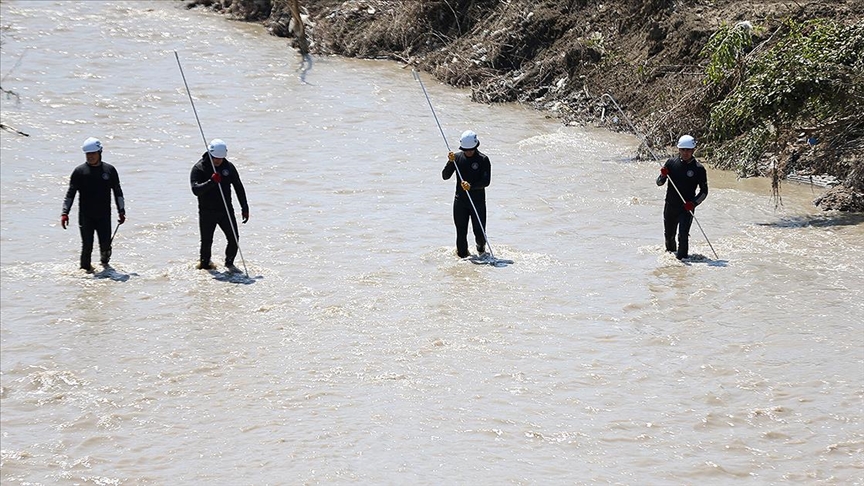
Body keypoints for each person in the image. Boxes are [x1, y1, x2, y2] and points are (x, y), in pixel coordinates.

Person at [61, 137, 126, 272]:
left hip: (104, 216)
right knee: (87, 247)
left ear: (99, 152)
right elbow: (70, 194)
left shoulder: (110, 170)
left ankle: (106, 270)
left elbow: (118, 192)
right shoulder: (79, 172)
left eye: (93, 153)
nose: (90, 157)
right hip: (86, 216)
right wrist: (65, 213)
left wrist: (121, 211)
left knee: (105, 246)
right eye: (87, 154)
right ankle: (85, 276)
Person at [190, 139, 249, 271]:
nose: (218, 161)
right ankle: (205, 267)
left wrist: (244, 207)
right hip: (207, 211)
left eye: (221, 158)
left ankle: (229, 264)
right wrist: (211, 182)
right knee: (206, 242)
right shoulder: (199, 168)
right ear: (210, 154)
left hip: (226, 210)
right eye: (216, 158)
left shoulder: (229, 167)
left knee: (234, 239)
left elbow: (238, 187)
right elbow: (195, 190)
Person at [656, 134, 708, 260]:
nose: (685, 153)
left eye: (688, 150)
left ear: (693, 150)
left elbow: (704, 192)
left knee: (683, 236)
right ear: (679, 149)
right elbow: (659, 183)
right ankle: (671, 264)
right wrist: (663, 175)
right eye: (683, 150)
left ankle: (682, 262)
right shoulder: (671, 163)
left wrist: (694, 203)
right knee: (669, 236)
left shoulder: (699, 169)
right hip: (670, 206)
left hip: (686, 208)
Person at [442, 130, 491, 258]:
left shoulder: (483, 160)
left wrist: (471, 187)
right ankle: (463, 259)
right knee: (461, 232)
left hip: (477, 202)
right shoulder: (457, 158)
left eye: (471, 150)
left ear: (476, 146)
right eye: (465, 150)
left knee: (479, 233)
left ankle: (481, 250)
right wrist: (450, 162)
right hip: (460, 202)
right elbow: (445, 176)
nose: (468, 152)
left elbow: (486, 181)